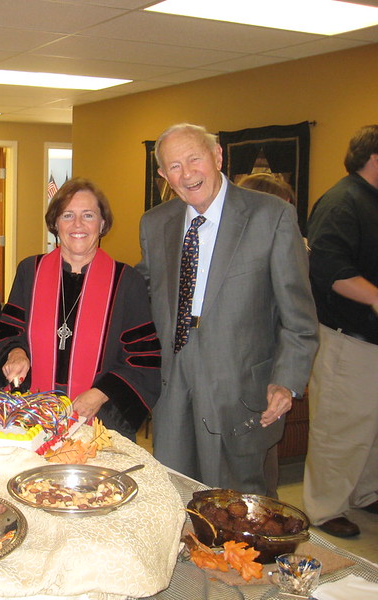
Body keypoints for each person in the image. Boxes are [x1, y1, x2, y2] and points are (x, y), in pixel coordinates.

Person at [137, 123, 318, 495]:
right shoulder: (156, 224)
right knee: (175, 495)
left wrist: (286, 381)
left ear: (218, 156)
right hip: (173, 383)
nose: (186, 174)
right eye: (174, 166)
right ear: (162, 175)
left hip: (240, 387)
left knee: (240, 505)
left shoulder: (271, 216)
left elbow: (298, 316)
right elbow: (142, 292)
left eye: (194, 159)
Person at [0, 178, 161, 440]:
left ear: (102, 224)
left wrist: (101, 393)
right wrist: (15, 352)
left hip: (101, 422)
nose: (78, 225)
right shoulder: (30, 272)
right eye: (67, 215)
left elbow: (143, 358)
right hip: (30, 418)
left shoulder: (127, 282)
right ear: (55, 224)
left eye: (88, 215)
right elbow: (8, 329)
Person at [303, 125, 378, 538]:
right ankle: (326, 507)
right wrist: (375, 297)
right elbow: (329, 269)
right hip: (348, 338)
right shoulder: (342, 201)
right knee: (341, 428)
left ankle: (366, 493)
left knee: (372, 426)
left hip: (372, 339)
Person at [238, 172, 300, 498]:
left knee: (263, 475)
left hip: (267, 379)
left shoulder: (289, 256)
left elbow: (295, 324)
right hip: (233, 383)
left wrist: (284, 380)